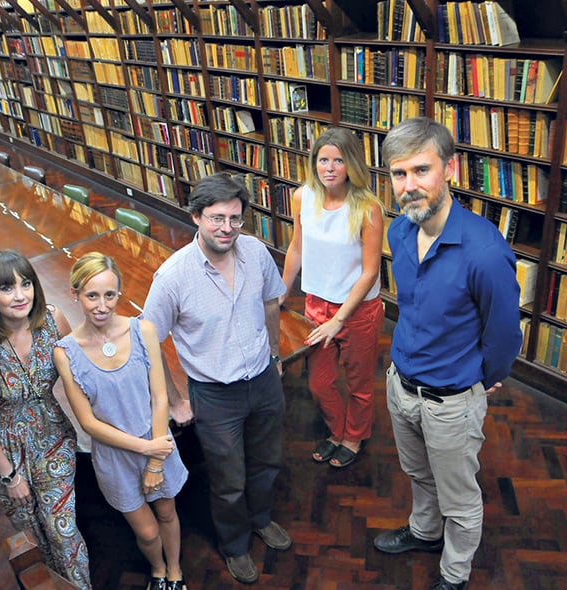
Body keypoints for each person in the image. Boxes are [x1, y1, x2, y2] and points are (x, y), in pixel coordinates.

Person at [372, 117, 522, 590]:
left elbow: (504, 336)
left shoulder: (485, 252)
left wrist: (481, 378)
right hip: (401, 385)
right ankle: (424, 532)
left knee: (459, 499)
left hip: (451, 402)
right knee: (418, 473)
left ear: (450, 169)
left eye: (422, 170)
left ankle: (454, 575)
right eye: (399, 174)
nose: (409, 186)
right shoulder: (399, 231)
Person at [142, 173, 292, 585]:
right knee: (228, 481)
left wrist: (274, 354)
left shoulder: (256, 252)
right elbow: (148, 342)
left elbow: (271, 302)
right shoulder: (173, 277)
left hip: (263, 380)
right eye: (217, 218)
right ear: (196, 217)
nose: (227, 228)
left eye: (235, 218)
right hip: (215, 395)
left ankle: (261, 518)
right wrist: (175, 401)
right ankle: (235, 545)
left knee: (267, 462)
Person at [53, 252, 189, 590]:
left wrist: (155, 460)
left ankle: (174, 571)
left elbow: (160, 398)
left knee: (167, 513)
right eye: (92, 295)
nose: (102, 306)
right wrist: (148, 450)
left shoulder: (144, 330)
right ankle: (158, 568)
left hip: (157, 441)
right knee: (146, 531)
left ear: (119, 293)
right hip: (116, 456)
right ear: (75, 294)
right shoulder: (65, 352)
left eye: (110, 295)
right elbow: (88, 423)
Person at [0, 249, 91, 589]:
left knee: (62, 530)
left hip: (51, 438)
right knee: (36, 538)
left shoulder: (53, 320)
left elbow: (79, 374)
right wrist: (10, 476)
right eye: (7, 288)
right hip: (3, 453)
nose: (20, 296)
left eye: (26, 284)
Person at [281, 127, 385, 468]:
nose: (329, 168)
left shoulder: (368, 208)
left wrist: (340, 319)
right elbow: (297, 248)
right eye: (323, 160)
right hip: (316, 305)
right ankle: (338, 431)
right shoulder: (302, 197)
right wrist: (281, 292)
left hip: (357, 310)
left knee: (359, 383)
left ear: (351, 164)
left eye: (338, 161)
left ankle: (353, 436)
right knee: (319, 383)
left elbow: (369, 272)